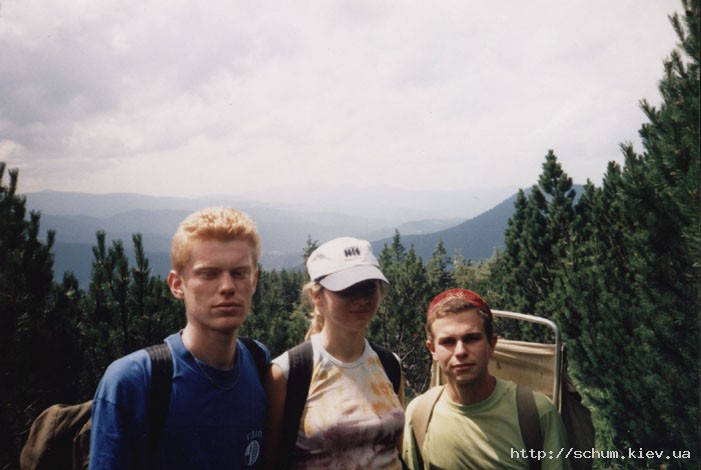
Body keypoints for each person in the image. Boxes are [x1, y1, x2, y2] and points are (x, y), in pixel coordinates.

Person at [89, 207, 268, 469]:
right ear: (176, 284)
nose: (227, 287)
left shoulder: (259, 362)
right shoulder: (133, 381)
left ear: (254, 281)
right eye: (209, 274)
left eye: (239, 273)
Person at [263, 237, 405, 470]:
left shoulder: (389, 364)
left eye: (369, 287)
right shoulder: (288, 373)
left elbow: (396, 450)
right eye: (347, 289)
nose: (362, 299)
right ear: (316, 296)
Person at [402, 288, 569, 470]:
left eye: (471, 338)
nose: (460, 352)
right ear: (432, 350)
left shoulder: (536, 413)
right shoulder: (419, 414)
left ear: (491, 344)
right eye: (448, 342)